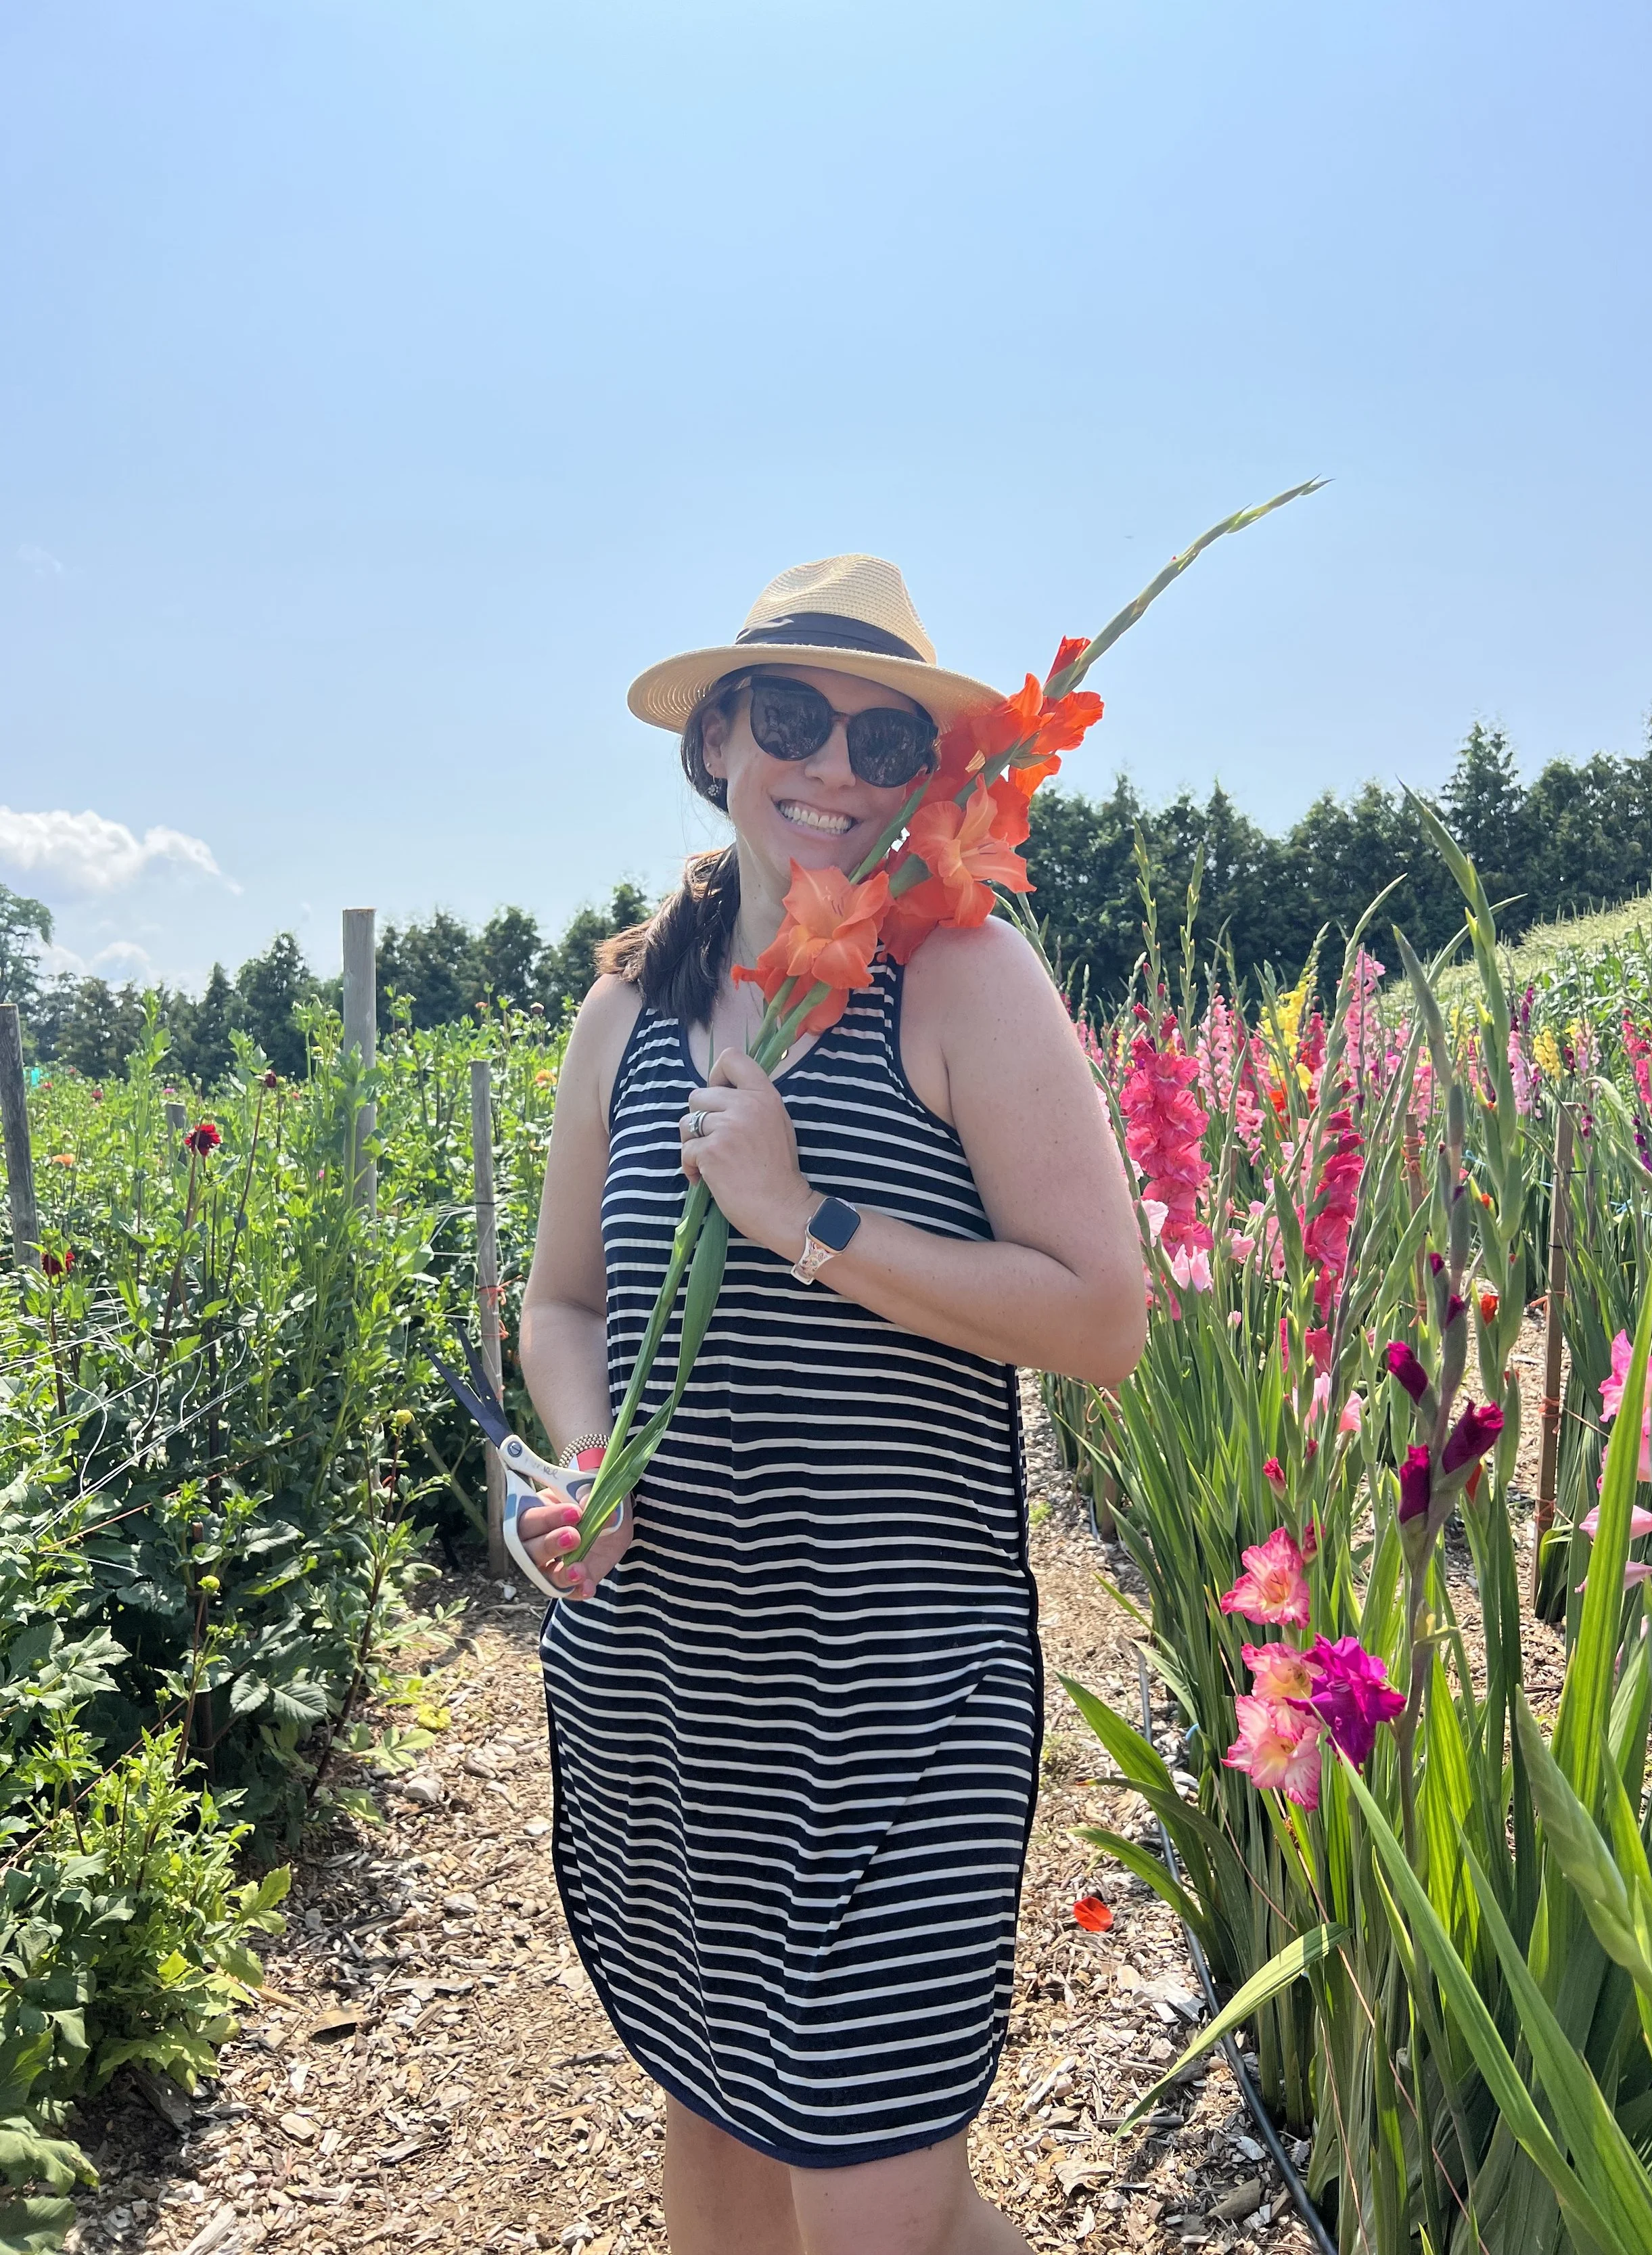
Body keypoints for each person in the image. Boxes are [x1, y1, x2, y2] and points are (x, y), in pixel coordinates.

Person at [518, 555, 1145, 2255]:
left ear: (934, 781)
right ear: (718, 737)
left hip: (890, 1697)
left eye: (890, 745)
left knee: (886, 2206)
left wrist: (804, 1223)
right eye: (794, 719)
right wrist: (588, 1460)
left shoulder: (962, 981)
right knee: (717, 2125)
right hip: (667, 1686)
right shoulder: (625, 1008)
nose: (840, 772)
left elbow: (1103, 1316)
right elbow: (562, 1302)